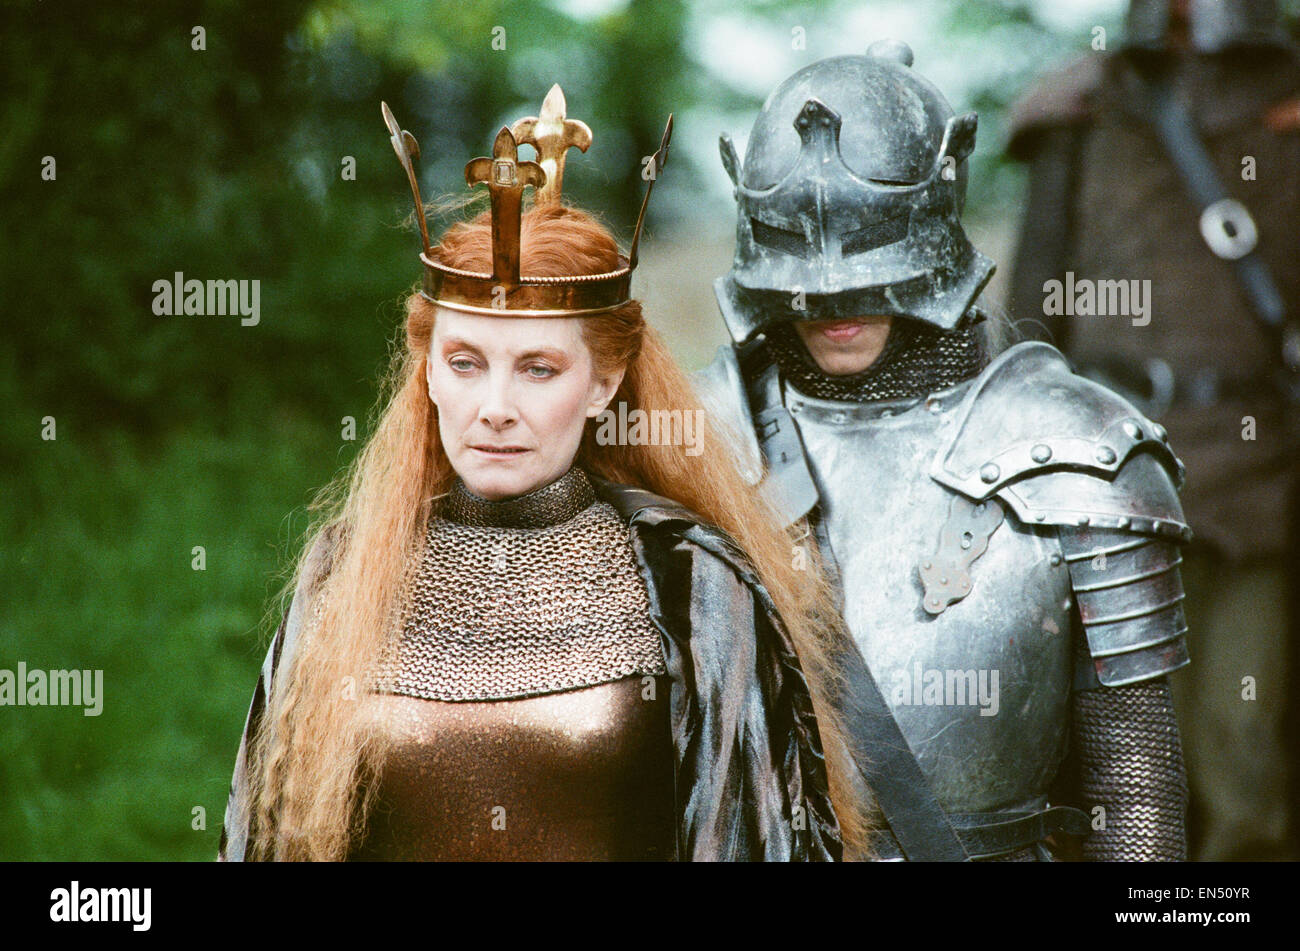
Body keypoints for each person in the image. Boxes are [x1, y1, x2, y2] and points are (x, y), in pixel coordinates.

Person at [217, 87, 851, 862]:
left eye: (539, 368)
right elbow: (268, 840)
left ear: (605, 381)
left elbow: (757, 843)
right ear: (427, 370)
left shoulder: (692, 586)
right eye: (465, 362)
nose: (495, 407)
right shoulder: (345, 576)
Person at [695, 40, 1190, 861]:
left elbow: (1131, 784)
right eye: (800, 270)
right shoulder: (705, 433)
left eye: (866, 260)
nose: (829, 301)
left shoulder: (1078, 450)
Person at [1007, 0, 1299, 861]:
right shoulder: (1085, 107)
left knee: (1241, 756)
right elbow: (1034, 310)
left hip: (1259, 472)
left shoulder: (1289, 96)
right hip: (1108, 470)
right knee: (1117, 765)